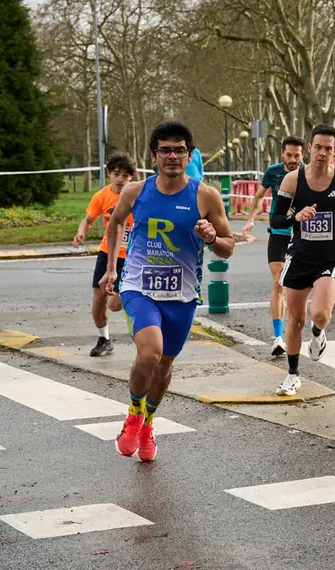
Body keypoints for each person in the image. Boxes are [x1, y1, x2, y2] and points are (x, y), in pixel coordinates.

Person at [100, 121, 235, 462]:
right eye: (165, 150)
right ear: (154, 156)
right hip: (139, 288)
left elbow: (228, 246)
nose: (172, 156)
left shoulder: (205, 196)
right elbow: (115, 222)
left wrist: (212, 238)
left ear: (190, 155)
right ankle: (134, 414)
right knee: (150, 354)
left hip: (182, 295)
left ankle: (147, 423)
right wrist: (112, 268)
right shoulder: (135, 192)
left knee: (164, 366)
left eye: (179, 150)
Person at [269, 124, 335, 396]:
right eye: (318, 147)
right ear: (310, 149)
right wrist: (296, 217)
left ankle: (318, 333)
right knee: (295, 320)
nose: (323, 153)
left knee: (321, 314)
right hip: (299, 256)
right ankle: (292, 375)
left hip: (329, 257)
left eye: (328, 148)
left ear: (334, 152)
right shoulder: (293, 180)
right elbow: (276, 219)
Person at [243, 136, 306, 355]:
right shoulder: (273, 172)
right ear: (282, 154)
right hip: (279, 232)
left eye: (297, 155)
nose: (293, 159)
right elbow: (259, 196)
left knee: (300, 286)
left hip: (302, 233)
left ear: (303, 155)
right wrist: (251, 219)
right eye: (289, 155)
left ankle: (298, 327)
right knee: (279, 280)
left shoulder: (309, 173)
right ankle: (278, 336)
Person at [73, 152, 136, 356]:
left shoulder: (138, 196)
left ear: (131, 177)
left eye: (125, 175)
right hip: (108, 253)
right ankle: (104, 339)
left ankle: (142, 332)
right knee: (99, 298)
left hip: (133, 255)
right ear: (109, 174)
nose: (120, 179)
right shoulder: (102, 196)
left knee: (115, 304)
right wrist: (81, 232)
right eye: (116, 174)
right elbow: (88, 220)